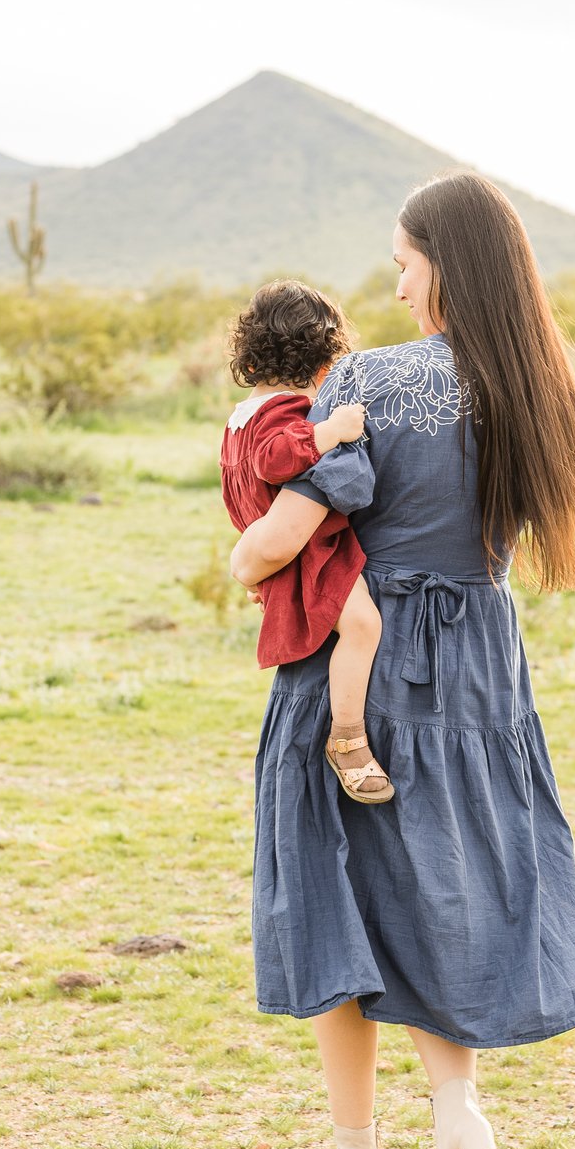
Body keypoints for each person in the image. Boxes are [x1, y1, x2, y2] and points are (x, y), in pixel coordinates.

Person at [230, 171, 575, 1149]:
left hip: (367, 651)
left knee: (333, 905)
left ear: (444, 259)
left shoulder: (371, 380)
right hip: (481, 666)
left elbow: (306, 520)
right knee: (445, 885)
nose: (393, 286)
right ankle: (458, 1119)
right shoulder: (539, 387)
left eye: (402, 262)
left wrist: (252, 546)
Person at [218, 281, 392, 802]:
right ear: (320, 359)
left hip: (274, 542)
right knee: (363, 626)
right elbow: (276, 459)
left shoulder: (240, 416)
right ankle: (347, 738)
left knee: (354, 628)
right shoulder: (284, 413)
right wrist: (333, 430)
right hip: (310, 550)